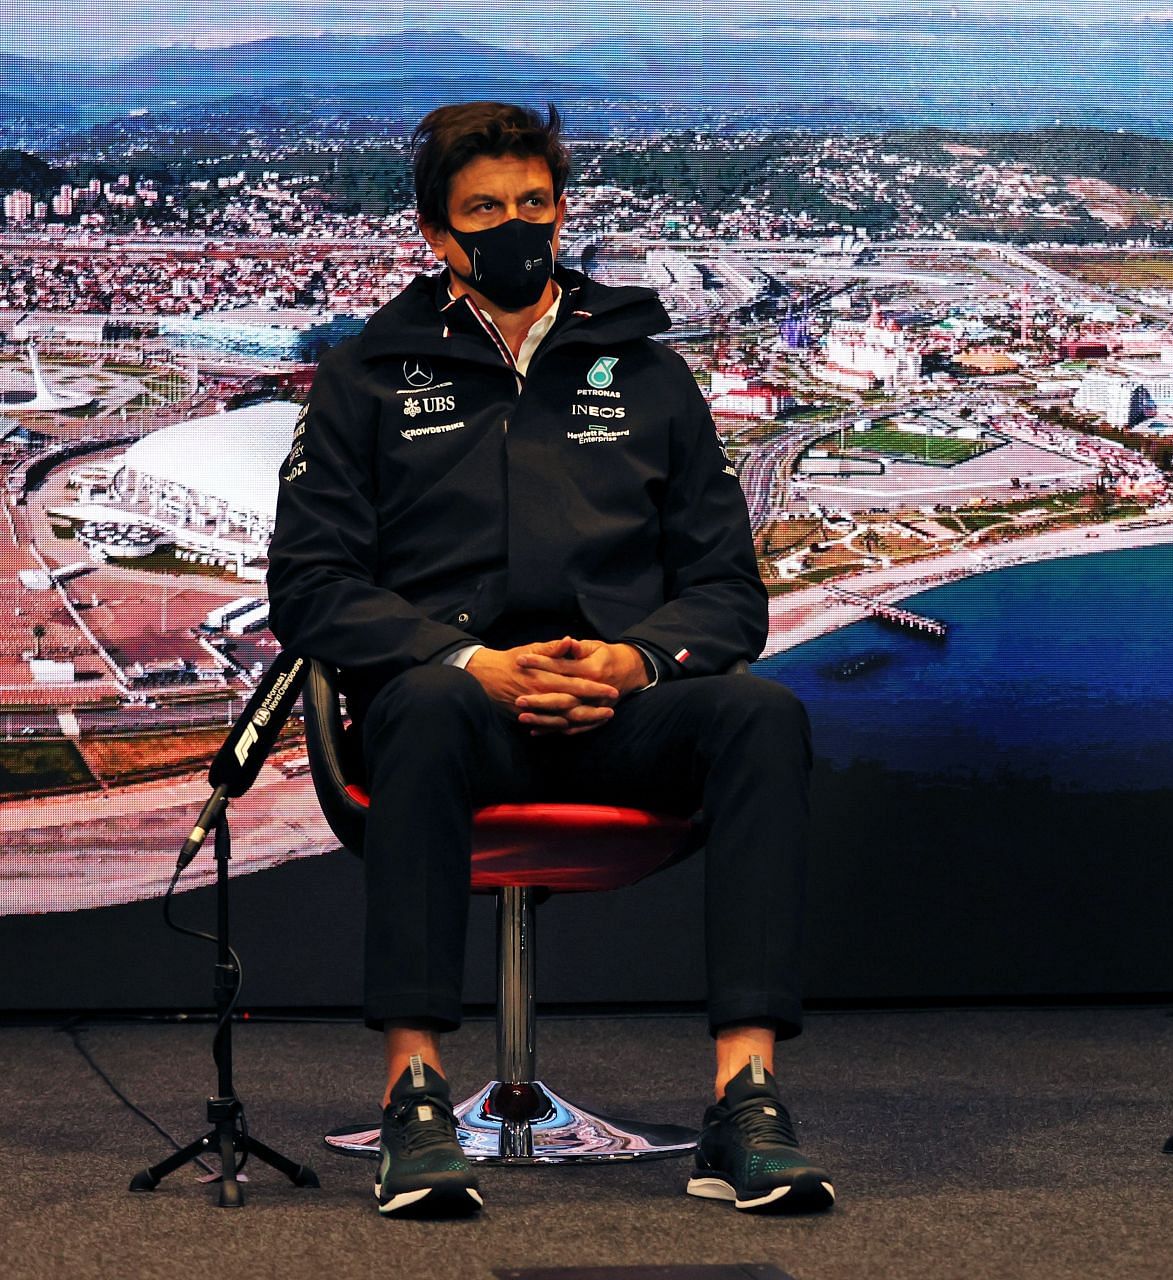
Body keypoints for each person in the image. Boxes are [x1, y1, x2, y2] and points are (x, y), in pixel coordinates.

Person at [268, 102, 833, 1218]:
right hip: (456, 715)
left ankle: (746, 1103)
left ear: (564, 211)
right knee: (424, 702)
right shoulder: (366, 376)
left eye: (535, 203)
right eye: (485, 211)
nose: (517, 226)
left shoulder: (649, 373)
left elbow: (728, 593)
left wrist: (634, 663)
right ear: (436, 235)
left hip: (617, 710)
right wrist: (471, 658)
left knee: (763, 717)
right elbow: (312, 586)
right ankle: (416, 1102)